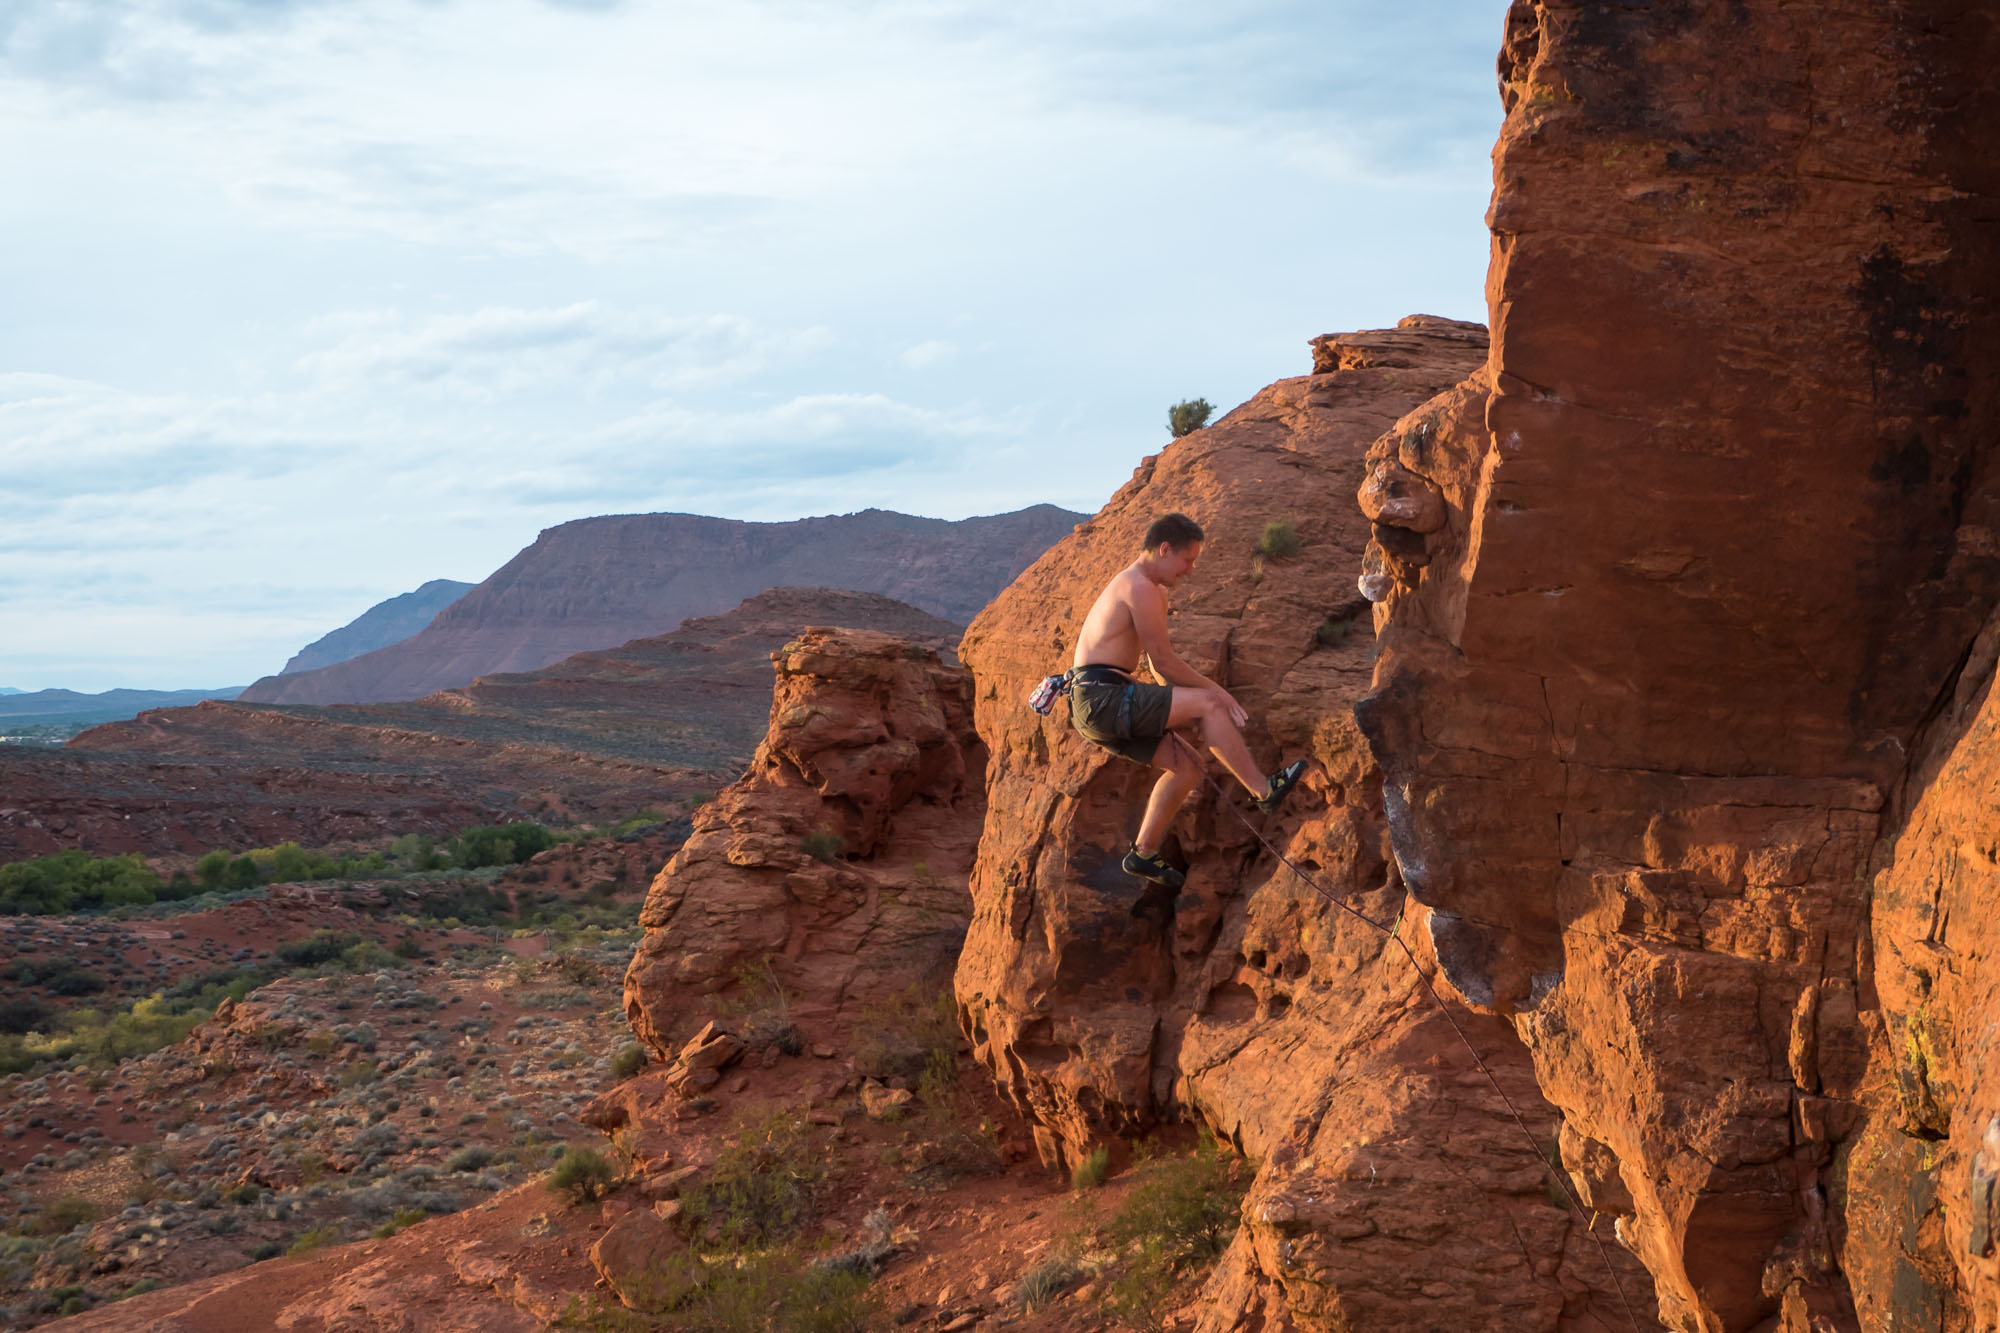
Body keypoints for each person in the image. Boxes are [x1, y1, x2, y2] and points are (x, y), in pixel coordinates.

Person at [1067, 512, 1307, 890]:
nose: (1190, 570)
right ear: (1164, 549)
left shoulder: (1152, 589)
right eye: (1187, 559)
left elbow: (1157, 668)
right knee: (1210, 704)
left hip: (1100, 703)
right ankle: (1264, 790)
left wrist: (1182, 704)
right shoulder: (1138, 586)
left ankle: (1143, 852)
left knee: (1188, 766)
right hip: (1104, 698)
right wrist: (1214, 695)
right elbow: (1163, 662)